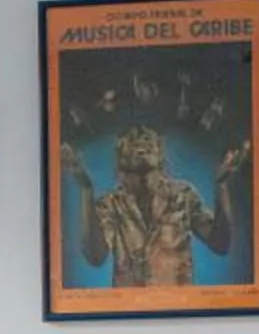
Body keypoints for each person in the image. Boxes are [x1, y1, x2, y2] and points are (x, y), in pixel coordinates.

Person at [64, 122, 248, 290]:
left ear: (160, 151)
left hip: (179, 309)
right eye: (133, 140)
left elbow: (221, 244)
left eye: (148, 139)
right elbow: (95, 257)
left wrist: (221, 186)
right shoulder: (111, 204)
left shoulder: (183, 195)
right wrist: (86, 190)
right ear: (122, 154)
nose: (141, 143)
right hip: (129, 313)